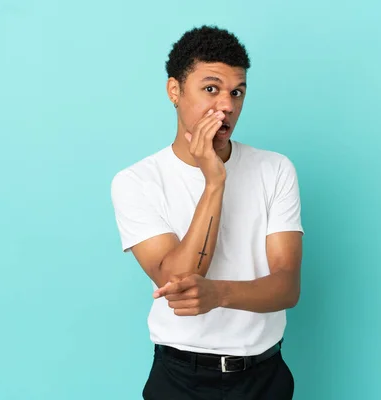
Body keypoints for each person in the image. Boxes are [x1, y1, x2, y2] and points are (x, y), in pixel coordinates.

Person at [110, 25, 304, 400]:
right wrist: (214, 181)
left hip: (265, 376)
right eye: (211, 89)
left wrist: (217, 294)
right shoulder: (136, 181)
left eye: (237, 92)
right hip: (183, 379)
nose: (227, 105)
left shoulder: (275, 169)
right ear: (175, 91)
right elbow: (179, 280)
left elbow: (287, 286)